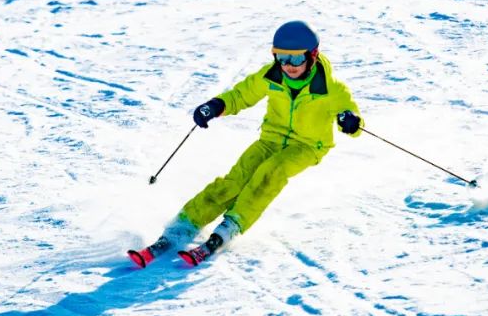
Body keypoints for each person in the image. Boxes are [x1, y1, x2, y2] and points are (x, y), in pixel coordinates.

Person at [129, 20, 364, 267]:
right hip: (270, 139)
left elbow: (351, 116)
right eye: (281, 58)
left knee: (270, 173)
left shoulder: (331, 89)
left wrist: (350, 121)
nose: (288, 66)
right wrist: (218, 105)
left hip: (307, 146)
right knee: (234, 181)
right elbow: (242, 94)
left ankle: (229, 228)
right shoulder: (272, 75)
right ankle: (183, 226)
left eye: (295, 59)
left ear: (312, 56)